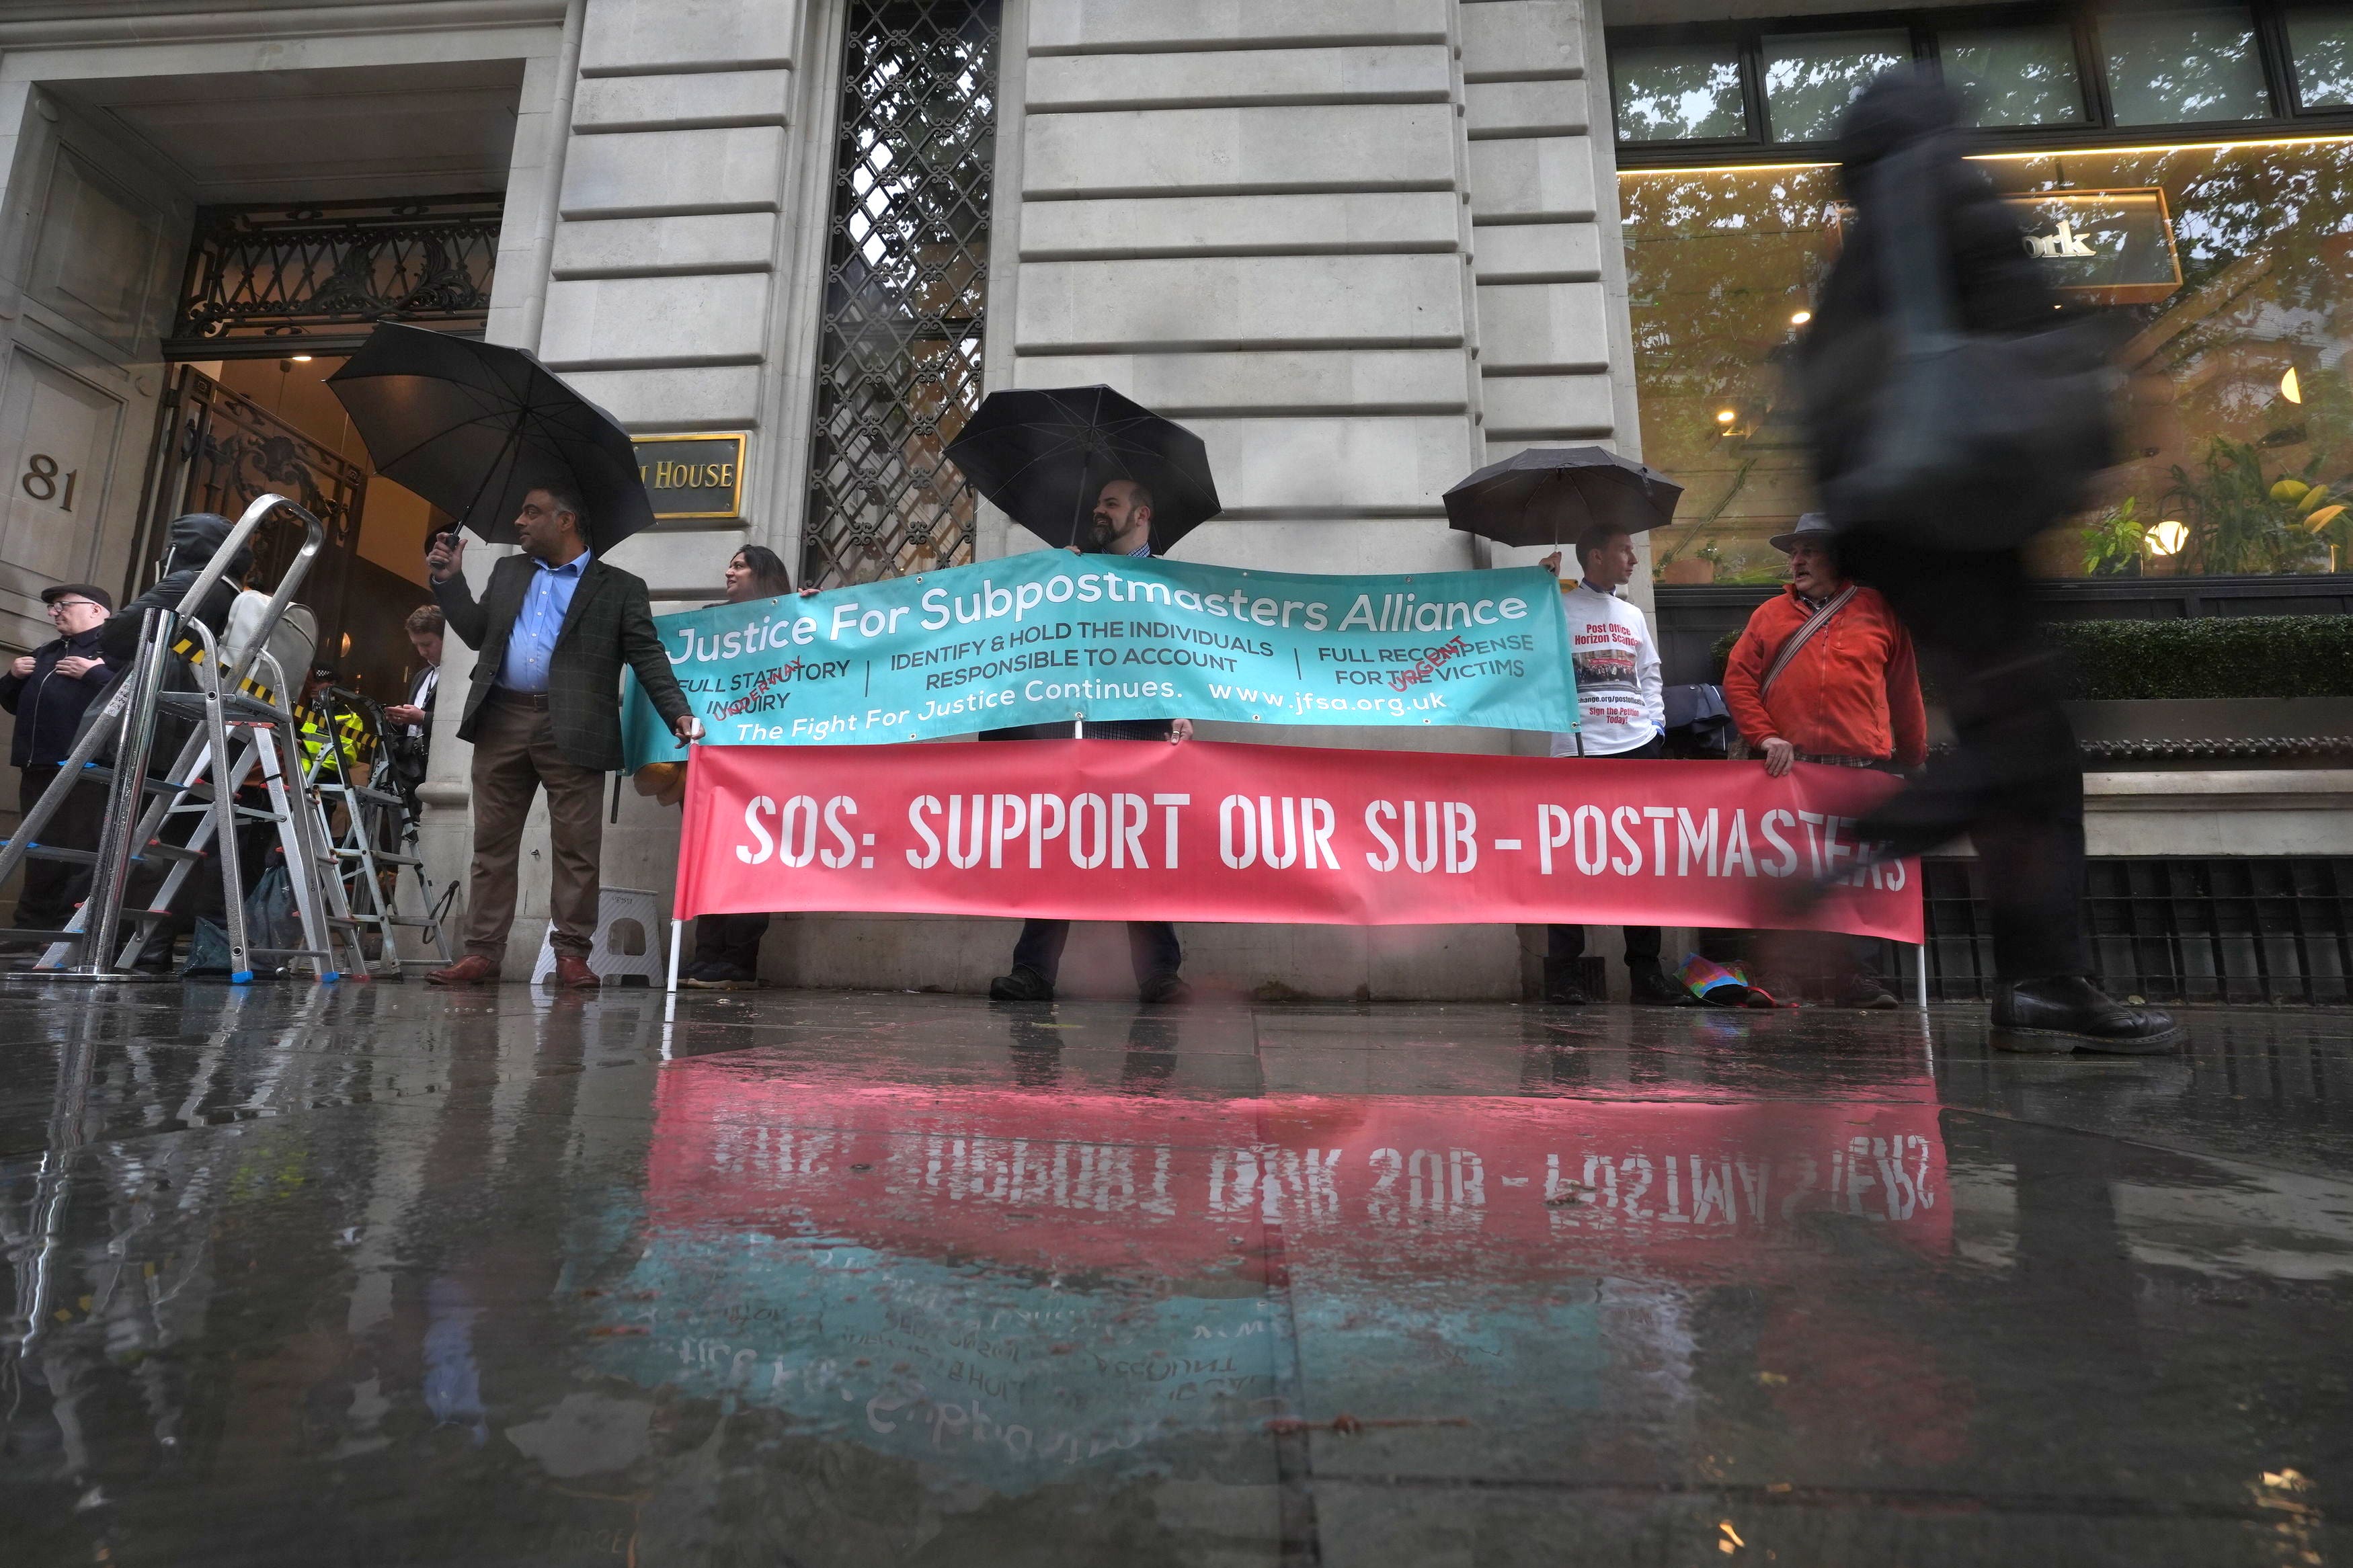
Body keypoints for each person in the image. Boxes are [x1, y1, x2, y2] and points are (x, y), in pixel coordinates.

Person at [1796, 72, 2178, 1053]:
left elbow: (1824, 407)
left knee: (2019, 739)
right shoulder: (1951, 192)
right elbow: (2028, 335)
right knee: (2032, 748)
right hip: (1971, 518)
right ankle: (1915, 886)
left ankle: (2033, 971)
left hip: (1899, 527)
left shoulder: (1861, 246)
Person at [424, 486, 701, 988]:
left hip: (573, 727)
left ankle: (573, 953)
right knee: (491, 845)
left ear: (567, 520)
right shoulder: (510, 572)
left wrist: (677, 712)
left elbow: (647, 655)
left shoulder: (619, 587)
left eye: (533, 512)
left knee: (576, 846)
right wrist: (449, 581)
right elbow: (477, 632)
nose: (520, 521)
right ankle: (482, 954)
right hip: (501, 719)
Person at [988, 478, 1193, 1005]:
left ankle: (1159, 975)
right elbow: (1036, 640)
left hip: (1138, 735)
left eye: (1112, 503)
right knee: (1059, 850)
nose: (1099, 511)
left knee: (1140, 854)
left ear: (1141, 513)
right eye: (1098, 501)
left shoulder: (1165, 580)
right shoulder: (1074, 571)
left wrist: (1184, 709)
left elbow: (1186, 655)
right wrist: (1055, 579)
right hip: (1075, 731)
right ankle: (1033, 970)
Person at [1722, 513, 1927, 1009]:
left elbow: (1904, 691)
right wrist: (1766, 736)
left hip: (1861, 771)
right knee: (1781, 874)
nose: (1797, 560)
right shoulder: (1768, 615)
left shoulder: (1881, 611)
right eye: (1794, 551)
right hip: (1787, 775)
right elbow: (1738, 680)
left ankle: (1855, 978)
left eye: (1810, 550)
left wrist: (1913, 759)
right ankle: (1779, 977)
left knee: (1856, 881)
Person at [1536, 522, 1689, 1007]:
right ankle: (1563, 973)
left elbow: (1649, 673)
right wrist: (1535, 589)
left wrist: (1656, 729)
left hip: (1636, 746)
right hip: (1578, 749)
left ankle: (1645, 972)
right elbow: (1520, 645)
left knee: (1640, 863)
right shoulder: (1555, 606)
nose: (1634, 559)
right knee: (1568, 863)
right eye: (1625, 550)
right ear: (1595, 555)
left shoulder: (1631, 614)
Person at [682, 545, 795, 989]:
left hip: (761, 762)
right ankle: (707, 953)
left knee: (750, 859)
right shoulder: (710, 622)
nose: (728, 571)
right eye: (729, 562)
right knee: (709, 857)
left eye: (739, 565)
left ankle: (738, 959)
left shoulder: (793, 623)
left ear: (763, 574)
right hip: (712, 760)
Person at [1, 584, 117, 942]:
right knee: (38, 850)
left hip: (86, 769)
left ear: (96, 610)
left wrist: (94, 674)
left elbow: (135, 698)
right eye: (53, 607)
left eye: (62, 605)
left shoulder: (114, 650)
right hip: (38, 765)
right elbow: (11, 703)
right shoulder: (47, 652)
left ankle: (70, 935)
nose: (54, 612)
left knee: (81, 852)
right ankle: (30, 930)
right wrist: (12, 678)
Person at [382, 605, 443, 743]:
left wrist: (423, 718)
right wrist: (399, 721)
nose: (422, 652)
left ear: (446, 638)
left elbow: (459, 721)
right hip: (409, 758)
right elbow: (410, 729)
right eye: (416, 645)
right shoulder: (421, 676)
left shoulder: (462, 677)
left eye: (427, 644)